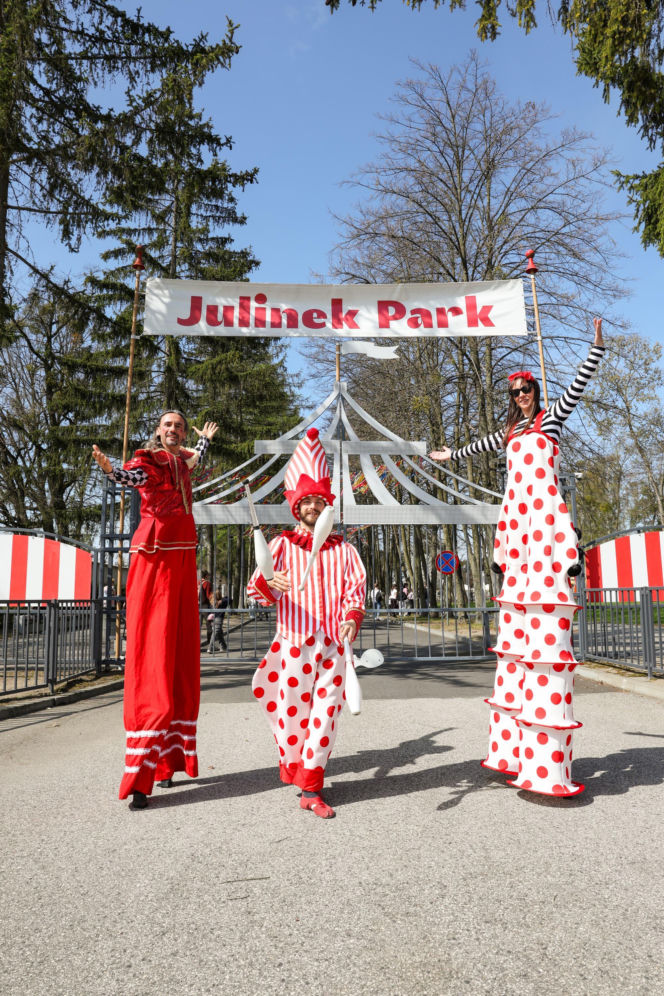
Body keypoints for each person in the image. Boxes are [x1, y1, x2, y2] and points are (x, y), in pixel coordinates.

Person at [430, 319, 604, 797]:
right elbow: (479, 445)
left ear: (535, 391)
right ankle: (510, 750)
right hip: (516, 519)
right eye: (517, 392)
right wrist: (450, 455)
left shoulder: (550, 420)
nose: (522, 395)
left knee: (548, 606)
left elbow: (577, 388)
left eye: (527, 389)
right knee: (514, 636)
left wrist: (595, 349)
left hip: (542, 517)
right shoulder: (510, 430)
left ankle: (545, 753)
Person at [92, 411, 218, 810]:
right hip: (155, 556)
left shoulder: (182, 461)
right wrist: (113, 470)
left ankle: (167, 762)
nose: (174, 430)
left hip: (182, 557)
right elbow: (134, 479)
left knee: (181, 658)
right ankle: (142, 773)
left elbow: (194, 459)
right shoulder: (148, 461)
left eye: (179, 427)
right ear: (158, 432)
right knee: (154, 658)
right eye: (168, 425)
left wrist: (206, 442)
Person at [247, 427, 366, 819]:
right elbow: (254, 589)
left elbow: (355, 590)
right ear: (296, 506)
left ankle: (312, 787)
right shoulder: (279, 546)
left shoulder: (345, 550)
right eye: (307, 502)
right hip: (294, 645)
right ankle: (296, 768)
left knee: (326, 716)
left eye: (319, 500)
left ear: (327, 505)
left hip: (332, 648)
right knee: (293, 715)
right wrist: (269, 582)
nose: (313, 507)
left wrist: (351, 618)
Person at [207, 589, 228, 653]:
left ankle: (223, 647)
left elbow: (229, 599)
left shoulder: (215, 602)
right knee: (216, 633)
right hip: (217, 618)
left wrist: (222, 600)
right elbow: (230, 599)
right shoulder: (222, 602)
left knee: (219, 633)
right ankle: (210, 648)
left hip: (213, 619)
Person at [199, 570, 213, 647]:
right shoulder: (207, 583)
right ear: (206, 576)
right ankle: (210, 645)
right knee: (209, 625)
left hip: (197, 606)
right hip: (205, 606)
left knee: (198, 626)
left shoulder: (198, 583)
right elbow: (208, 595)